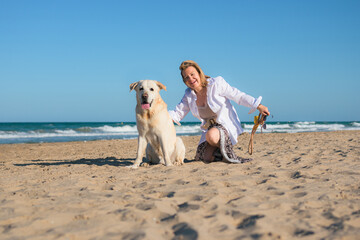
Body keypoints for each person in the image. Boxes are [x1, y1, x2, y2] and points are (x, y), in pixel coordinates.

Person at [169, 60, 270, 163]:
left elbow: (238, 96)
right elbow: (178, 113)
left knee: (211, 136)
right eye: (186, 77)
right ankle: (222, 155)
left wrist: (258, 105)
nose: (190, 79)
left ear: (199, 73)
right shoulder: (188, 94)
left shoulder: (216, 83)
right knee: (203, 158)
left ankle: (228, 152)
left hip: (224, 126)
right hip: (209, 130)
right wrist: (159, 117)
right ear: (184, 81)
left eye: (192, 74)